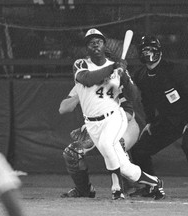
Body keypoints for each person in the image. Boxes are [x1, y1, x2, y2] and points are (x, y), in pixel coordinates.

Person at [59, 28, 165, 200]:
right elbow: (87, 79)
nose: (95, 43)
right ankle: (154, 182)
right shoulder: (81, 65)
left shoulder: (117, 70)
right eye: (90, 41)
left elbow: (133, 97)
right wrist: (112, 68)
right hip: (93, 124)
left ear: (104, 45)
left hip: (114, 118)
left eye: (99, 40)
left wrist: (124, 76)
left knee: (108, 144)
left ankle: (117, 189)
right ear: (86, 47)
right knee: (124, 167)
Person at [129, 35, 188, 199]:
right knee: (140, 149)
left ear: (159, 52)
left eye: (150, 49)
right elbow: (146, 100)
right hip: (168, 120)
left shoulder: (174, 70)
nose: (147, 52)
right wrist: (149, 121)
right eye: (144, 50)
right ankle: (151, 186)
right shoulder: (141, 75)